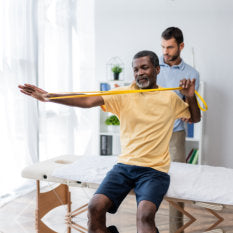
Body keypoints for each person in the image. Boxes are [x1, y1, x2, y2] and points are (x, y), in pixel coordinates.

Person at [19, 50, 200, 233]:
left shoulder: (170, 98)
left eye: (144, 68)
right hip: (124, 167)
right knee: (94, 208)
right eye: (136, 69)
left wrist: (190, 97)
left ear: (157, 70)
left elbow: (194, 117)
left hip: (154, 171)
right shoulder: (123, 94)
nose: (139, 73)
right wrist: (49, 97)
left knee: (145, 216)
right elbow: (88, 100)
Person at [157, 27, 200, 232]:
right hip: (152, 132)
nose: (165, 52)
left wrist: (187, 110)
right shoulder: (153, 66)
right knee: (148, 177)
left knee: (178, 180)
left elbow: (192, 110)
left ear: (181, 46)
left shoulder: (192, 74)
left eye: (170, 47)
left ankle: (176, 228)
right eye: (163, 47)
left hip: (175, 133)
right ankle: (147, 224)